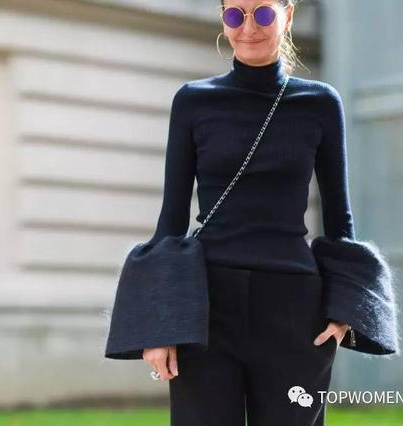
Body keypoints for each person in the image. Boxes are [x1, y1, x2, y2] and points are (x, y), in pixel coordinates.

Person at [142, 1, 351, 424]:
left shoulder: (320, 103)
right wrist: (161, 323)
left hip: (294, 308)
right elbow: (171, 220)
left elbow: (338, 218)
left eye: (263, 13)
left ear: (288, 16)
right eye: (235, 15)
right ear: (223, 20)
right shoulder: (193, 101)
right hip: (206, 307)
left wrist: (345, 309)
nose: (248, 27)